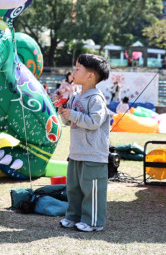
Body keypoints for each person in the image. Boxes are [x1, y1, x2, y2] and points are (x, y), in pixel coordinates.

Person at [56, 53, 110, 232]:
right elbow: (71, 121)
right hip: (76, 152)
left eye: (78, 69)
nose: (73, 72)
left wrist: (73, 115)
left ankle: (93, 221)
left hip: (93, 154)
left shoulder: (96, 99)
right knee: (74, 188)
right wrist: (64, 112)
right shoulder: (76, 96)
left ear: (90, 76)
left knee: (92, 190)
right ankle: (73, 217)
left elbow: (94, 122)